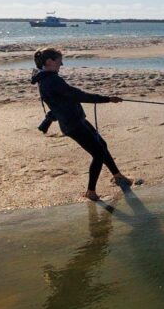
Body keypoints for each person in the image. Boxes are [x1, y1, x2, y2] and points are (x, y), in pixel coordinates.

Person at [31, 47, 130, 201]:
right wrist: (107, 99)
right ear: (50, 62)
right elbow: (77, 95)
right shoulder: (51, 80)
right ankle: (91, 191)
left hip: (76, 120)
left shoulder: (46, 78)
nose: (61, 64)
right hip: (73, 124)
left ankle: (118, 176)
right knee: (98, 154)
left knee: (102, 145)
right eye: (59, 61)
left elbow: (59, 102)